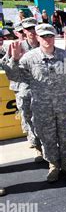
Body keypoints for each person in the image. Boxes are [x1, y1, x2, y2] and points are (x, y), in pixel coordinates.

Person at [10, 24, 66, 182]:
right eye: (43, 37)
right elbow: (15, 76)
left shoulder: (65, 57)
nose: (47, 39)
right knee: (47, 137)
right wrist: (14, 59)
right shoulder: (29, 58)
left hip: (63, 104)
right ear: (37, 38)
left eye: (50, 36)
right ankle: (53, 165)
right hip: (41, 106)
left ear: (54, 37)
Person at [1, 18, 42, 162]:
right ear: (23, 31)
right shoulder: (17, 46)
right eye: (28, 29)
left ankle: (46, 144)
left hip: (42, 88)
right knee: (28, 117)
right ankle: (37, 147)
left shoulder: (42, 43)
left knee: (43, 118)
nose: (31, 31)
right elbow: (5, 66)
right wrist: (14, 58)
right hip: (24, 88)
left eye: (33, 28)